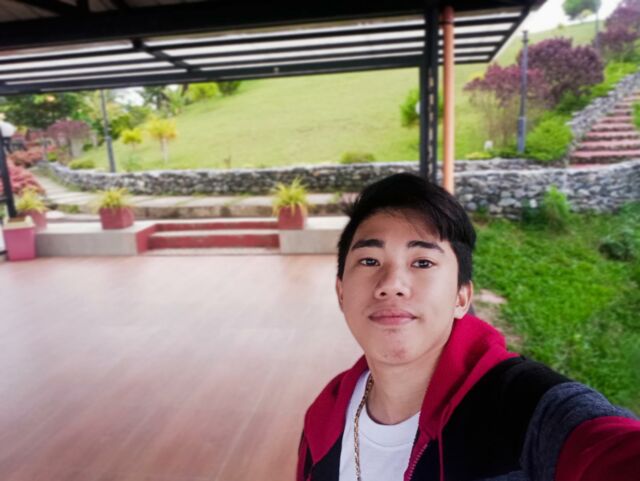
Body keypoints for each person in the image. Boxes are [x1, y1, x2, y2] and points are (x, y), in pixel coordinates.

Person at [296, 173, 640, 481]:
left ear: (461, 297)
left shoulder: (524, 411)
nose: (392, 284)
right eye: (369, 260)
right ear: (341, 292)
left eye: (423, 262)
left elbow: (607, 447)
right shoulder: (325, 415)